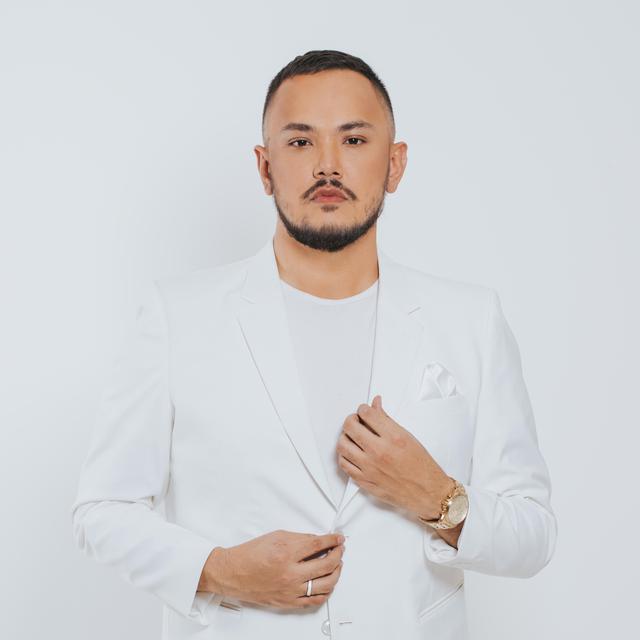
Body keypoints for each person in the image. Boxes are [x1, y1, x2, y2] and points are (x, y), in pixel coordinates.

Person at [71, 49, 557, 640]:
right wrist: (220, 570)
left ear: (395, 164)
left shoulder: (471, 320)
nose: (328, 165)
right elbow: (102, 512)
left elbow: (534, 534)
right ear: (265, 167)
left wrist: (437, 497)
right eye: (300, 142)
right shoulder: (177, 316)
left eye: (353, 140)